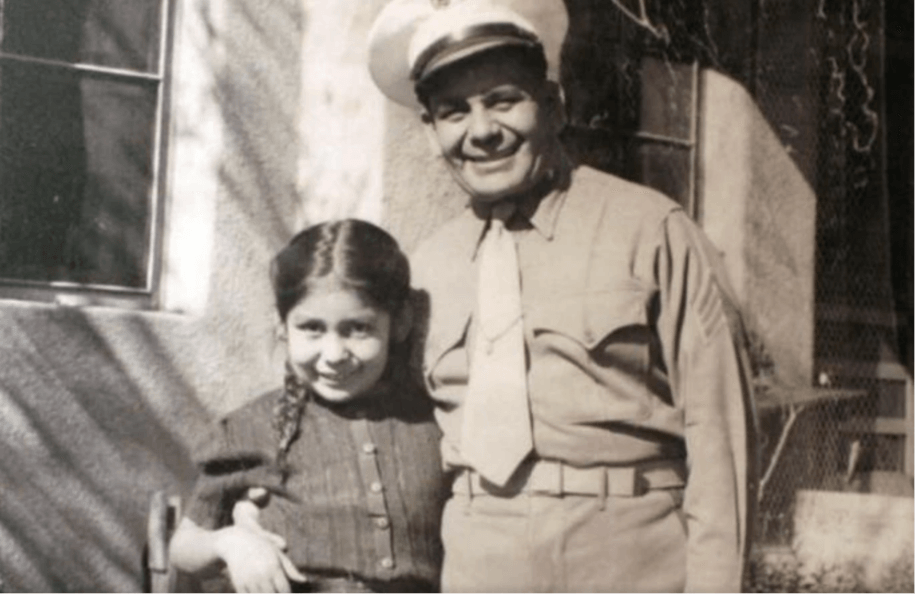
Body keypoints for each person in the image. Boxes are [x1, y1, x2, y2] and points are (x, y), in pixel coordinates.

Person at [367, 0, 756, 592]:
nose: (482, 131)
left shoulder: (651, 230)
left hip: (630, 553)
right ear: (430, 132)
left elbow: (722, 437)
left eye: (503, 100)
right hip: (480, 556)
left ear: (553, 105)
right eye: (453, 112)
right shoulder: (426, 267)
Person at [169, 219, 447, 593]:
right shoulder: (250, 429)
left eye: (358, 328)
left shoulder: (434, 422)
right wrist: (230, 543)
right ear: (282, 327)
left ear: (399, 324)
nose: (333, 355)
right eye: (312, 328)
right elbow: (184, 544)